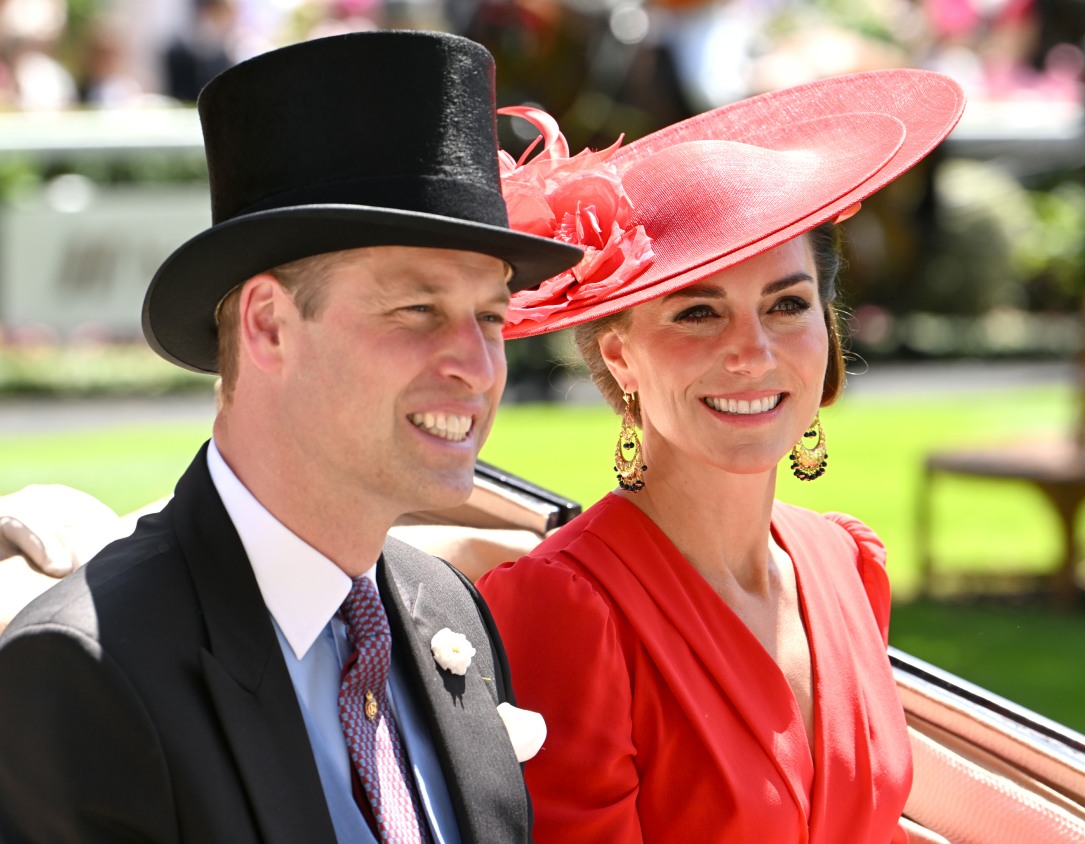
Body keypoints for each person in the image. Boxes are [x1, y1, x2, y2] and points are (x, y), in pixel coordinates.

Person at [0, 31, 580, 844]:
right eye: (417, 309)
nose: (477, 366)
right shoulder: (82, 671)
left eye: (490, 316)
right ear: (269, 325)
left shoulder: (450, 612)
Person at [478, 70, 966, 842]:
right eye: (699, 312)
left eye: (787, 304)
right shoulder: (565, 608)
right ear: (621, 355)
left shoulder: (846, 562)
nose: (754, 352)